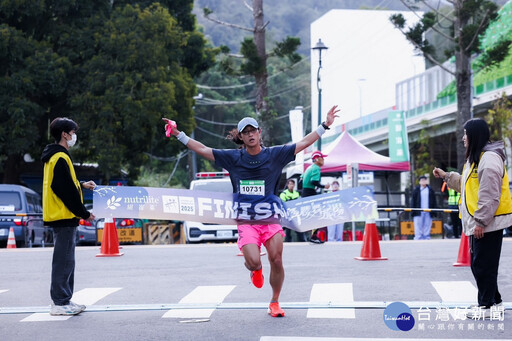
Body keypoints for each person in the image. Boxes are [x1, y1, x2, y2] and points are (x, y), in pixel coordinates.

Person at [163, 105, 340, 317]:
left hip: (271, 217)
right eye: (245, 132)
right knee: (254, 261)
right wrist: (178, 134)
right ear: (241, 137)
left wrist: (325, 126)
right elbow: (202, 149)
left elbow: (303, 143)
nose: (250, 135)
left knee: (276, 258)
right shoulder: (234, 158)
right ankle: (256, 270)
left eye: (252, 130)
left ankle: (274, 301)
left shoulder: (275, 155)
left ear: (259, 132)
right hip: (247, 221)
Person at [433, 118, 511, 319]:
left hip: (488, 223)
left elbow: (490, 194)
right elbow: (468, 188)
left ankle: (486, 307)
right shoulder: (477, 159)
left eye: (466, 134)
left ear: (474, 135)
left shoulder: (490, 159)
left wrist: (481, 222)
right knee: (481, 264)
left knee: (483, 265)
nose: (463, 138)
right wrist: (446, 176)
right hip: (480, 223)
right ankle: (495, 303)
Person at [42, 117, 96, 316]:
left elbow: (65, 184)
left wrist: (82, 185)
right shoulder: (60, 157)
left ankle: (64, 300)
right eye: (73, 132)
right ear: (65, 134)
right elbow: (64, 190)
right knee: (64, 260)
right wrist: (84, 213)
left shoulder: (55, 156)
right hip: (63, 216)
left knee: (66, 260)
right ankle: (60, 302)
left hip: (61, 215)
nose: (74, 136)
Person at [302, 150, 330, 243]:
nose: (323, 160)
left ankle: (308, 235)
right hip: (310, 192)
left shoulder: (309, 168)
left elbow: (300, 179)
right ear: (317, 159)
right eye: (322, 158)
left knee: (309, 215)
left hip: (305, 192)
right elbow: (313, 181)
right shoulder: (316, 168)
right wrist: (324, 186)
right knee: (317, 214)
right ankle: (313, 236)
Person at [411, 175, 437, 240]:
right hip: (418, 210)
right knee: (418, 225)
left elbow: (434, 201)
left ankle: (426, 236)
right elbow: (413, 201)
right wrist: (413, 210)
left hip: (428, 210)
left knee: (427, 225)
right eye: (421, 180)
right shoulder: (416, 190)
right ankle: (418, 237)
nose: (423, 181)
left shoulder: (430, 190)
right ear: (419, 182)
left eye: (424, 180)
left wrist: (434, 210)